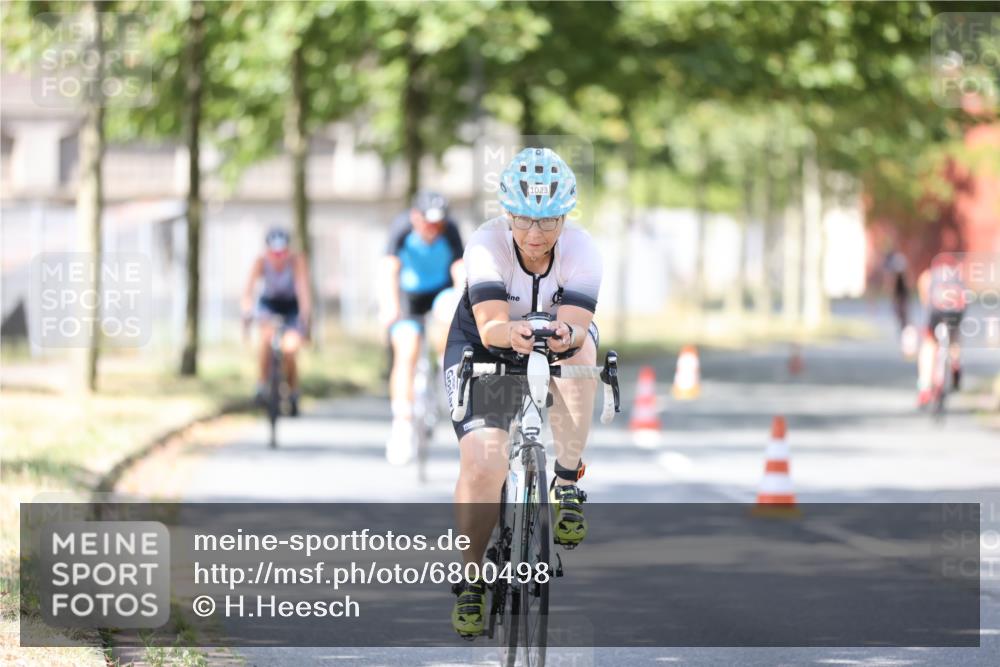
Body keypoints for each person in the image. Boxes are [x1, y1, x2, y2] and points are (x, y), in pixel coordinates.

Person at [444, 147, 602, 637]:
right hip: (488, 343)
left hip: (556, 339)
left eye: (549, 222)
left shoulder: (583, 249)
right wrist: (511, 335)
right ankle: (472, 579)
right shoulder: (485, 244)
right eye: (524, 221)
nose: (535, 235)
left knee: (581, 356)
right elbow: (491, 323)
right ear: (507, 214)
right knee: (486, 461)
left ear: (565, 217)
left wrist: (566, 337)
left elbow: (578, 325)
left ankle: (567, 479)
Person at [378, 191, 464, 466]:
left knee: (450, 320)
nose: (432, 229)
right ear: (415, 216)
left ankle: (444, 372)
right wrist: (389, 306)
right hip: (408, 296)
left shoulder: (450, 231)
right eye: (427, 223)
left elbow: (459, 269)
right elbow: (389, 269)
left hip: (439, 292)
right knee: (407, 349)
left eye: (438, 224)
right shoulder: (401, 228)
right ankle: (402, 425)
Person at [241, 227, 311, 416]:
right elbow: (248, 291)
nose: (278, 257)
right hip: (269, 306)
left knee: (290, 349)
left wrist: (305, 317)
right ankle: (262, 385)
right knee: (266, 340)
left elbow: (303, 291)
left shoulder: (297, 262)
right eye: (274, 253)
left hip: (291, 307)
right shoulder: (261, 262)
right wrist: (247, 311)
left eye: (282, 252)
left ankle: (293, 390)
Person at [915, 252, 966, 407]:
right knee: (954, 335)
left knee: (929, 342)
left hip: (936, 311)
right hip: (956, 311)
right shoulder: (957, 276)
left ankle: (924, 387)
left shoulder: (928, 275)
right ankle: (955, 362)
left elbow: (925, 299)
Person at [883, 249, 910, 333]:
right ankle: (903, 327)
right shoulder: (890, 262)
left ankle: (905, 327)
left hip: (901, 290)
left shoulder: (897, 260)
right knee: (898, 310)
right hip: (898, 291)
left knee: (902, 310)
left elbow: (896, 277)